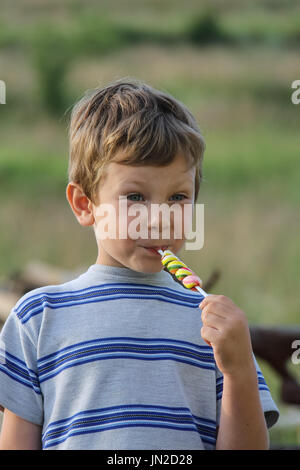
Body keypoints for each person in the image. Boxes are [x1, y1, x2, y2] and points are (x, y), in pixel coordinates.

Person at [0, 78, 279, 450]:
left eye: (178, 197)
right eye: (136, 196)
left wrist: (240, 369)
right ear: (85, 204)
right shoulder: (37, 317)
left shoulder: (212, 326)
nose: (160, 218)